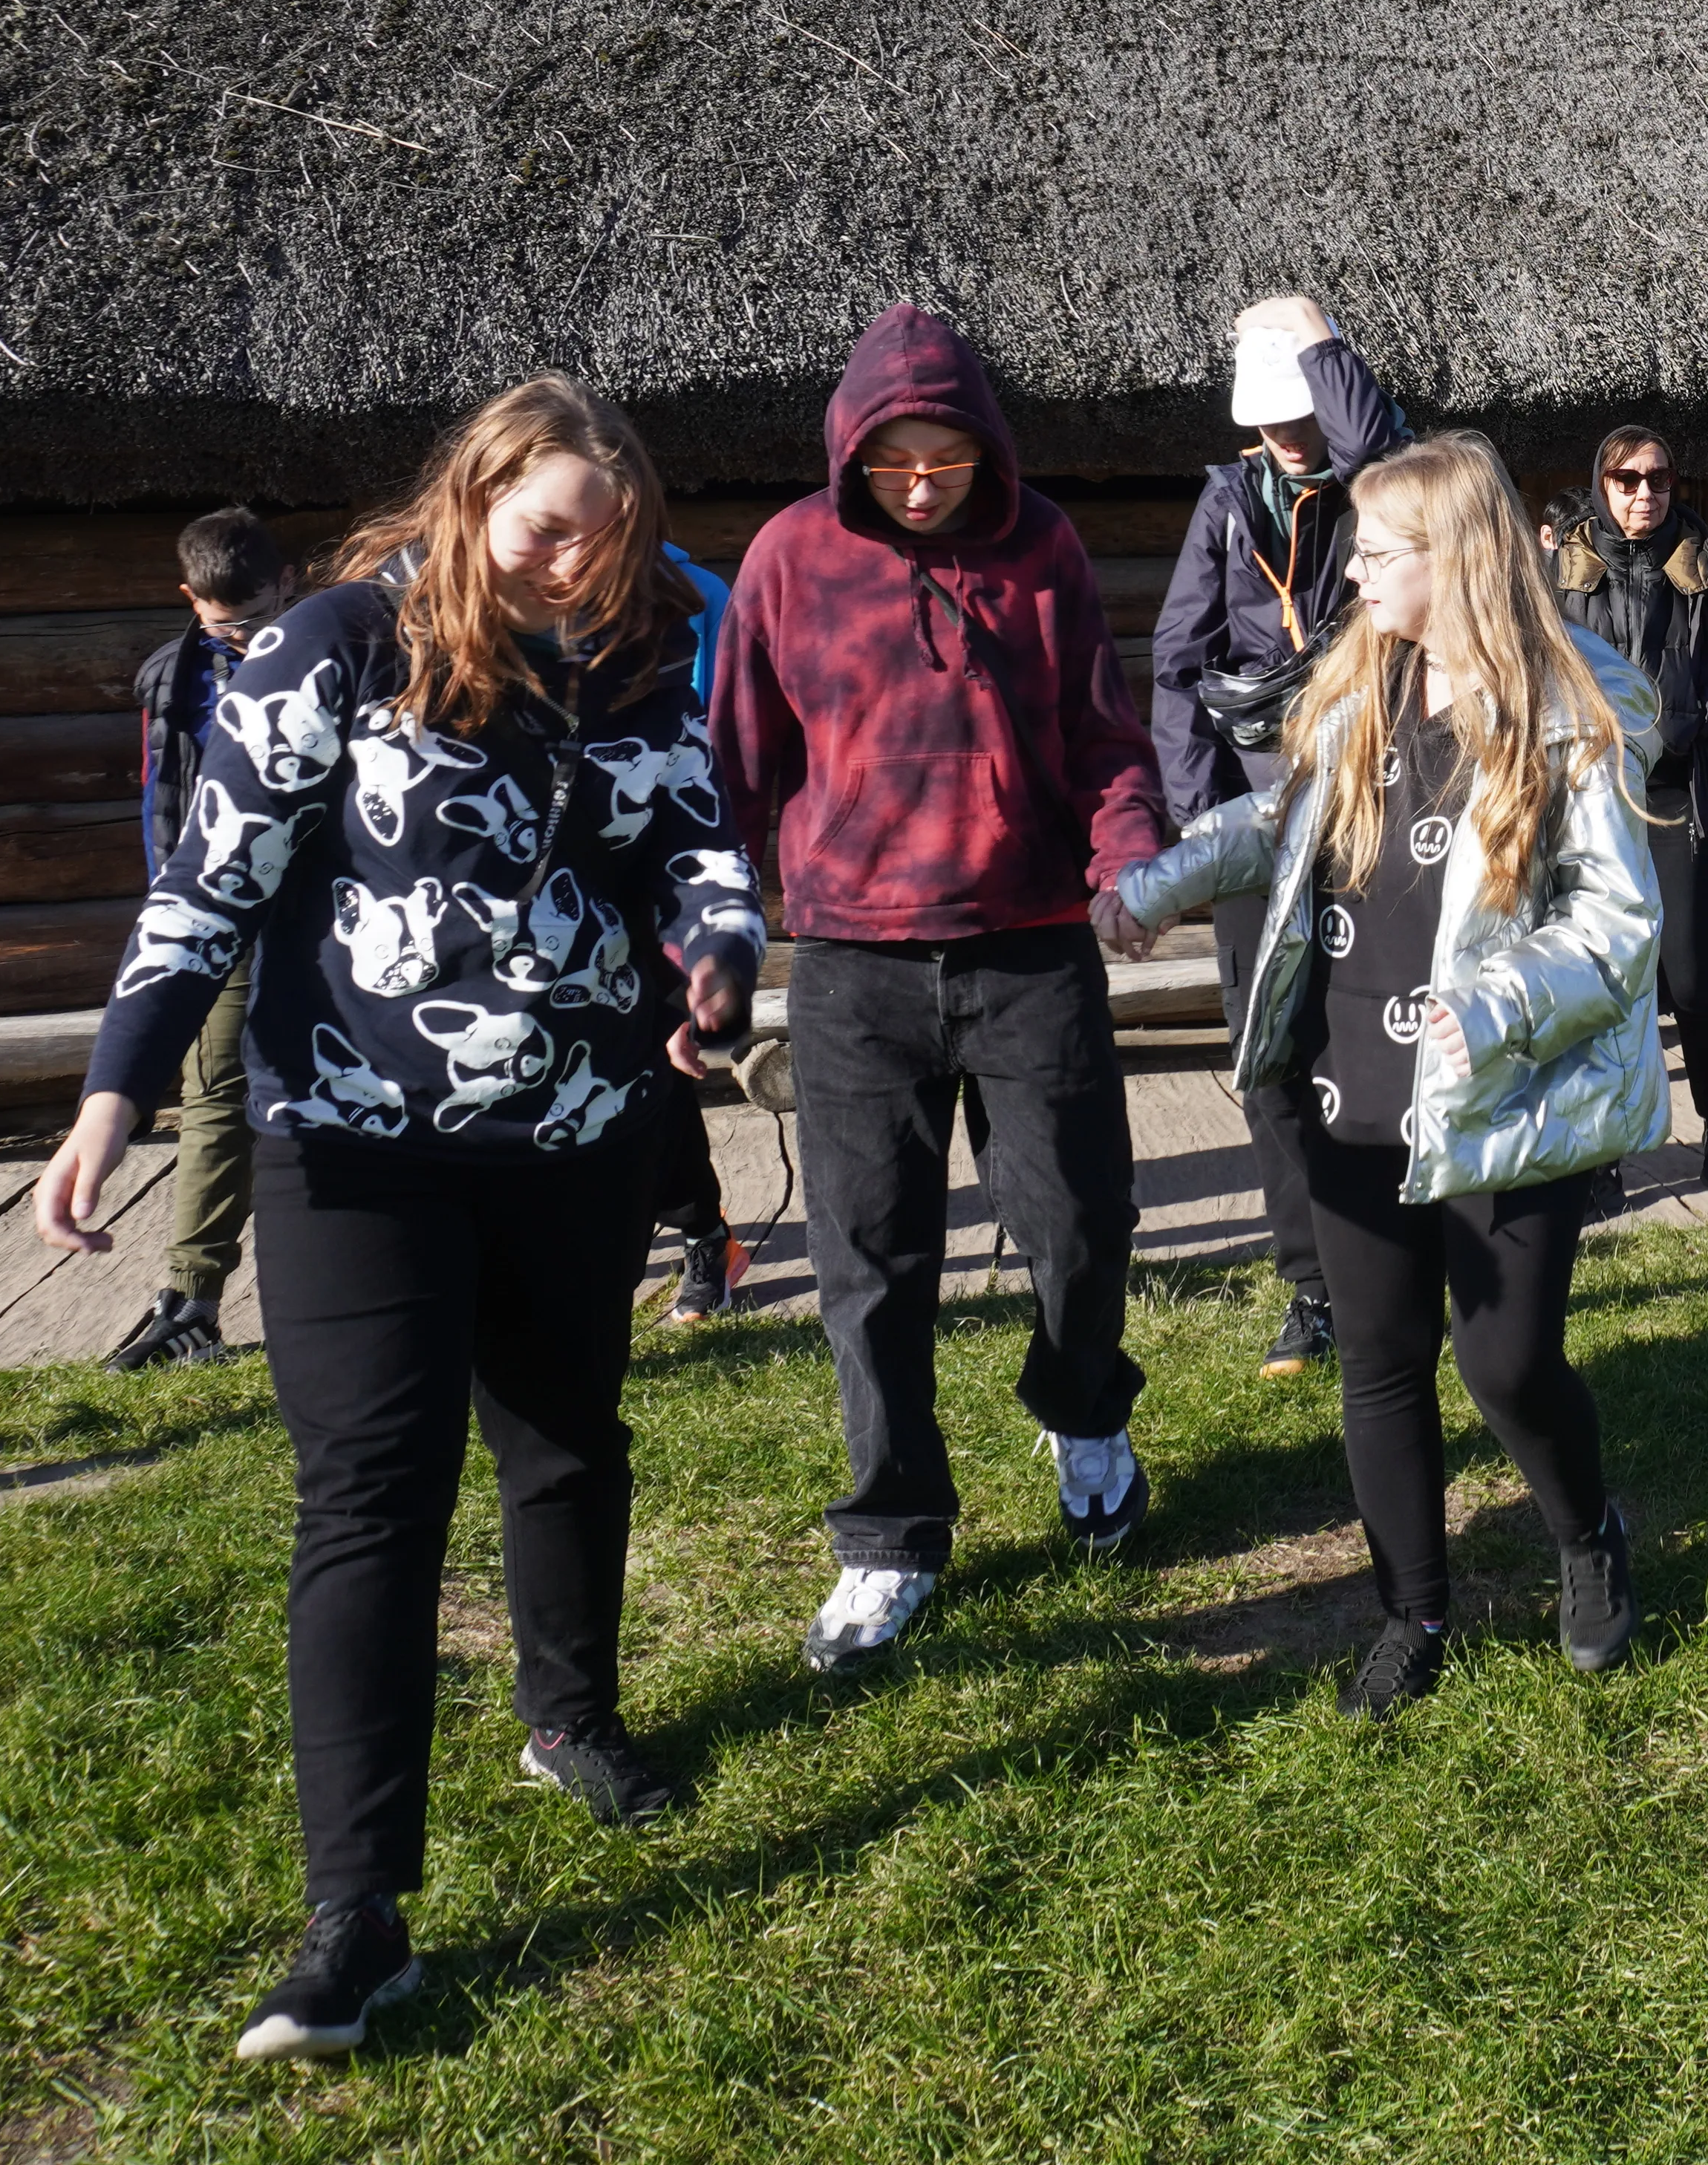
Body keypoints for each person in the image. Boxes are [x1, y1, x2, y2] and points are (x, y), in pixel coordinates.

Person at [29, 377, 763, 2066]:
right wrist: (114, 1092)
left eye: (611, 532)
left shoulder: (636, 655)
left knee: (570, 1436)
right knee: (371, 1490)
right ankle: (354, 1911)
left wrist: (717, 954)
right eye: (548, 524)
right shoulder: (333, 646)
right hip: (357, 1142)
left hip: (579, 1128)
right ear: (474, 493)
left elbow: (698, 847)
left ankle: (569, 1719)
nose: (579, 560)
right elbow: (207, 880)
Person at [1096, 434, 1660, 1723]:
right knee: (1383, 1365)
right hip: (1350, 1078)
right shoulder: (1356, 692)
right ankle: (1411, 1612)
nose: (1353, 568)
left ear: (1455, 559)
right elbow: (1279, 825)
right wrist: (1160, 887)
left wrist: (1499, 1004)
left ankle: (1587, 1535)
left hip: (1499, 1096)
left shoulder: (1572, 712)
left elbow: (1618, 925)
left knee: (1510, 1365)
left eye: (1382, 549)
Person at [711, 307, 1169, 1676]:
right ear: (852, 449)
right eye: (896, 460)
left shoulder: (1044, 551)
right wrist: (712, 922)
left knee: (1081, 1225)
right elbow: (733, 763)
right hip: (854, 963)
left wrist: (1129, 855)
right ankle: (889, 1536)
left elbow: (1105, 736)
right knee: (868, 1264)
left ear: (989, 448)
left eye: (947, 459)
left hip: (1032, 946)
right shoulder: (791, 557)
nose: (921, 484)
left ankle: (1083, 1416)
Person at [1153, 296, 1413, 1380]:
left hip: (1376, 810)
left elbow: (1381, 450)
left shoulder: (1381, 492)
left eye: (1304, 416)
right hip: (1260, 823)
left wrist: (1317, 340)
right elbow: (1179, 663)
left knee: (1377, 1039)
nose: (1291, 441)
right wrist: (1200, 821)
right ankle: (1312, 1287)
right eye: (1272, 424)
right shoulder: (1224, 505)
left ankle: (1401, 1266)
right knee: (1271, 1058)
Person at [104, 508, 306, 1373]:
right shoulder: (170, 679)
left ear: (291, 583)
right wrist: (174, 923)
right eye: (229, 626)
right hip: (228, 915)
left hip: (337, 914)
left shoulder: (349, 653)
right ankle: (192, 1299)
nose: (248, 638)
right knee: (219, 1092)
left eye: (262, 617)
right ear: (191, 600)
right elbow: (166, 808)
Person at [1549, 426, 1708, 1183]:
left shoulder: (1707, 574)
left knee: (1689, 971)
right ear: (1602, 482)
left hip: (1678, 799)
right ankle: (1601, 1149)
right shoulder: (1560, 577)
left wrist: (1692, 719)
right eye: (1628, 479)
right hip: (1587, 796)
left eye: (1661, 478)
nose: (1647, 493)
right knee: (1603, 971)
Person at [642, 536, 747, 1324]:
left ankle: (704, 1235)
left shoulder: (697, 590)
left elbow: (717, 734)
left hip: (655, 862)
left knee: (658, 1068)